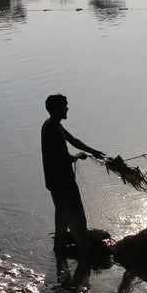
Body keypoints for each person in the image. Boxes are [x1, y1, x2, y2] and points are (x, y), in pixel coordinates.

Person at [41, 94, 105, 261]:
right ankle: (85, 253)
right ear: (55, 109)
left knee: (62, 214)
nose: (67, 108)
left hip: (54, 182)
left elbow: (74, 140)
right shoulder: (53, 130)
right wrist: (77, 156)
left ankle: (58, 249)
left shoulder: (52, 124)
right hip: (63, 182)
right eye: (64, 106)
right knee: (78, 217)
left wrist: (93, 151)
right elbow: (64, 157)